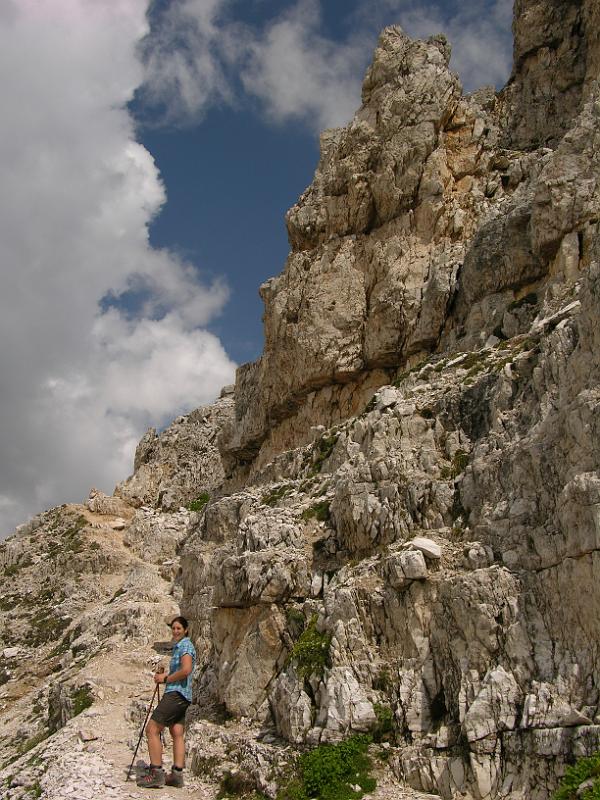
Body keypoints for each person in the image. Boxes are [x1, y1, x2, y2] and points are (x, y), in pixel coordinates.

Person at [137, 615, 196, 789]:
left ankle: (156, 774)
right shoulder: (182, 646)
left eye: (179, 628)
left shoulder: (185, 645)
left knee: (152, 729)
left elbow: (186, 670)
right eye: (173, 628)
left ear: (185, 630)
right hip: (184, 695)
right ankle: (177, 775)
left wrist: (165, 678)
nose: (176, 631)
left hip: (175, 694)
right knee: (177, 731)